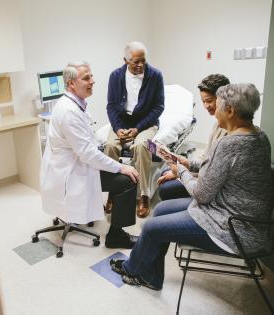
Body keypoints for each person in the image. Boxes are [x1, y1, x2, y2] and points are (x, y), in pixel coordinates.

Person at [109, 83, 272, 290]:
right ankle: (152, 276)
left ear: (230, 111)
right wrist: (186, 162)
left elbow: (201, 195)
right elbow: (217, 168)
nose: (214, 113)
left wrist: (180, 172)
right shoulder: (259, 136)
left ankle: (133, 269)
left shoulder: (230, 144)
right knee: (160, 209)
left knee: (151, 228)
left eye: (218, 106)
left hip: (231, 227)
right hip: (232, 213)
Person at [41, 61, 140, 249]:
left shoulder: (74, 104)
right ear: (71, 83)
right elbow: (87, 154)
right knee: (129, 179)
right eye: (87, 78)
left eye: (91, 76)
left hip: (70, 164)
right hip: (72, 172)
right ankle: (116, 237)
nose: (93, 81)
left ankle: (111, 214)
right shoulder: (69, 111)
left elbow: (86, 141)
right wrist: (121, 167)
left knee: (117, 166)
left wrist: (102, 149)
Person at [104, 41, 164, 218]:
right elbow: (111, 106)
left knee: (140, 146)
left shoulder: (155, 75)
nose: (140, 65)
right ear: (125, 60)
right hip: (121, 123)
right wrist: (117, 128)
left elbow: (158, 107)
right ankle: (112, 192)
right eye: (135, 62)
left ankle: (144, 194)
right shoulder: (115, 76)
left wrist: (137, 129)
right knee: (109, 146)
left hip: (145, 123)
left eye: (143, 61)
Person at [157, 74, 230, 201]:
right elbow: (207, 158)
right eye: (203, 101)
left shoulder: (230, 135)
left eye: (209, 100)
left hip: (208, 189)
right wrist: (185, 163)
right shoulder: (217, 124)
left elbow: (210, 176)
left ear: (223, 99)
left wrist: (182, 173)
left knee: (165, 189)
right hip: (204, 176)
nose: (206, 106)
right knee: (165, 171)